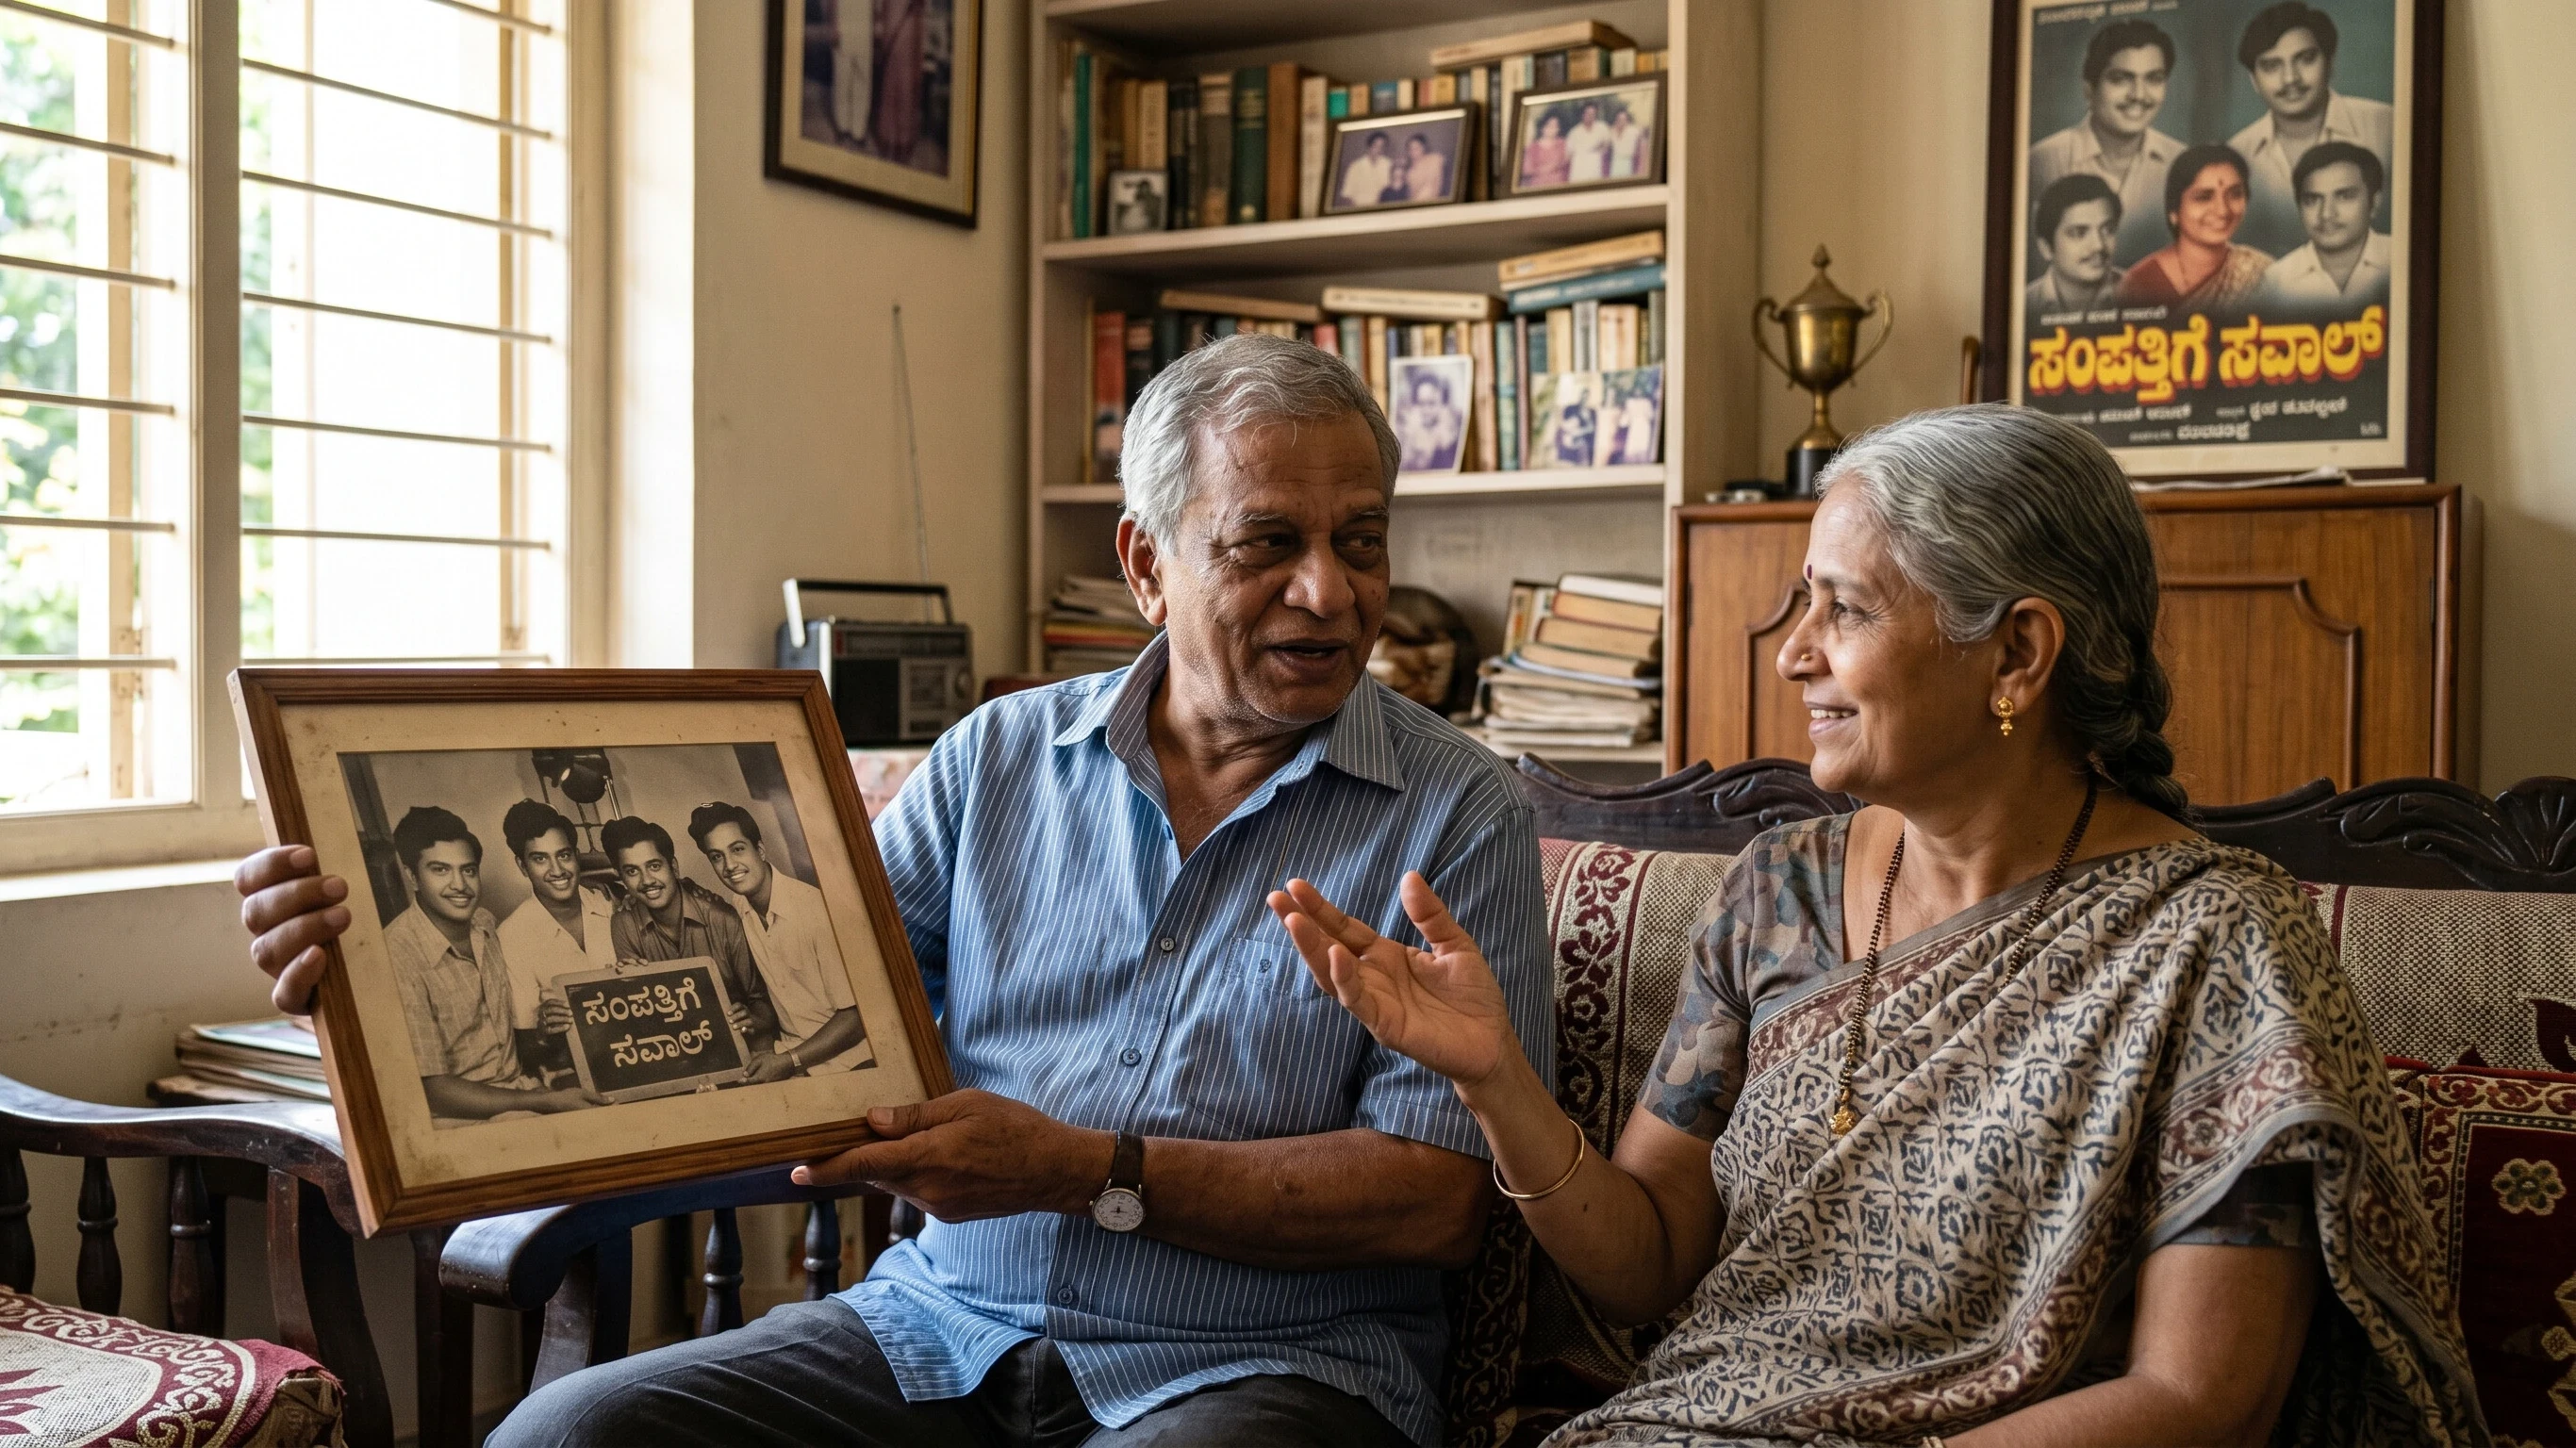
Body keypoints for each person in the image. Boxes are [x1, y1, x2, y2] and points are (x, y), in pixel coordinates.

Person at [234, 331, 1554, 1448]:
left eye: (1360, 541)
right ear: (1146, 563)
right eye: (1267, 542)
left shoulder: (1460, 811)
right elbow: (777, 1021)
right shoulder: (995, 760)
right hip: (939, 1328)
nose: (1329, 591)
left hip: (1270, 1369)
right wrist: (376, 999)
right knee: (562, 1436)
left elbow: (1437, 1200)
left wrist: (1083, 1171)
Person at [1270, 404, 2487, 1448]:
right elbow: (1648, 1264)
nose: (1792, 654)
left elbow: (2203, 1399)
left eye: (1843, 610)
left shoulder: (2216, 943)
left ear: (2016, 654)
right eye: (1802, 604)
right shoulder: (1780, 893)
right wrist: (1496, 1082)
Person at [381, 806, 596, 1122]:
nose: (459, 885)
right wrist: (545, 1102)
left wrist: (544, 1030)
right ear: (412, 876)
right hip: (459, 1116)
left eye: (468, 871)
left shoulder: (485, 924)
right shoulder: (395, 955)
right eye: (440, 870)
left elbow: (521, 1033)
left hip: (526, 1089)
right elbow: (433, 1090)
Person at [688, 801, 871, 1077]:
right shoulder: (739, 907)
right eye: (716, 856)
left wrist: (788, 1061)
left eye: (737, 849)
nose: (729, 865)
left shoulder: (816, 910)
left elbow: (856, 1018)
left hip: (851, 1062)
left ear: (760, 850)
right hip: (790, 1058)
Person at [601, 814, 784, 1067]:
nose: (647, 881)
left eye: (654, 866)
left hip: (741, 1049)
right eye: (632, 871)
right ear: (621, 877)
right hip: (676, 1056)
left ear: (673, 867)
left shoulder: (723, 918)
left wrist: (752, 1019)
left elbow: (764, 1001)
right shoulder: (623, 924)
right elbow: (641, 1016)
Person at [2228, 1, 2395, 258]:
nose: (2290, 78)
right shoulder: (2236, 156)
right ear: (2254, 80)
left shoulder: (2387, 127)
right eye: (2272, 66)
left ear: (2330, 63)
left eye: (2305, 59)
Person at [2027, 19, 2184, 269]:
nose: (2139, 95)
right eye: (2121, 79)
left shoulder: (2182, 163)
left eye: (2154, 79)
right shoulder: (2041, 162)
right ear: (2089, 89)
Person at [492, 799, 619, 1080]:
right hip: (571, 1074)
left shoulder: (611, 903)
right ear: (522, 866)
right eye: (540, 859)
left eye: (564, 855)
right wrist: (543, 1032)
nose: (557, 870)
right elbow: (525, 1050)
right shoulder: (511, 936)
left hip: (637, 1052)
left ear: (576, 856)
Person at [2115, 143, 2271, 312]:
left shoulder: (2260, 274)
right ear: (2174, 211)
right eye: (2204, 197)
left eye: (2235, 194)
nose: (2223, 210)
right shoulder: (2139, 285)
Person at [2254, 140, 2392, 316]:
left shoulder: (2400, 259)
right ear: (2299, 207)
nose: (2326, 214)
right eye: (2312, 200)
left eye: (2344, 196)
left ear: (2375, 203)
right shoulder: (2276, 282)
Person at [2024, 173, 2125, 318]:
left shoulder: (2145, 294)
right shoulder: (2023, 306)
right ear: (2046, 248)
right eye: (2079, 233)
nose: (2098, 246)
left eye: (2108, 230)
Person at [1394, 370, 1461, 471]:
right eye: (1421, 403)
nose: (1426, 410)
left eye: (1431, 403)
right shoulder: (1406, 435)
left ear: (1443, 404)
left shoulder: (1450, 440)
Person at [1339, 133, 1395, 209]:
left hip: (1382, 208)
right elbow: (1347, 194)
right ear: (1369, 146)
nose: (1379, 150)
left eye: (1382, 147)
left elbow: (1393, 190)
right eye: (1376, 146)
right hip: (1359, 208)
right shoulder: (1355, 166)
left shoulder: (1390, 165)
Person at [1564, 102, 1612, 183]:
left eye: (1593, 114)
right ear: (1582, 114)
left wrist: (1600, 149)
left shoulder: (1602, 128)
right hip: (1578, 171)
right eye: (1588, 113)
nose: (1590, 116)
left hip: (1595, 169)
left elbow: (1608, 145)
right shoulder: (1574, 132)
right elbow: (1568, 155)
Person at [1520, 112, 1570, 189]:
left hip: (1559, 185)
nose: (1552, 129)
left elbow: (1567, 163)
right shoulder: (1533, 147)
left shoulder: (1563, 143)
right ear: (1542, 127)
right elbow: (1526, 170)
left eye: (1556, 126)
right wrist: (1548, 168)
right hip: (1538, 186)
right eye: (1549, 126)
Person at [1605, 104, 1649, 180]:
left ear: (1627, 120)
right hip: (1615, 162)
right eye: (1619, 119)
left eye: (1624, 119)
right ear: (1616, 120)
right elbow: (1606, 145)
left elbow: (1644, 137)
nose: (1622, 121)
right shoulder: (1612, 131)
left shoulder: (1633, 130)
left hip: (1628, 162)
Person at [1399, 134, 1446, 202]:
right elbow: (1410, 194)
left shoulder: (1435, 159)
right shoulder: (1409, 172)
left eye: (1416, 148)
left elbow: (1432, 186)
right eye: (1410, 149)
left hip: (1433, 199)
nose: (1413, 151)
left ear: (1423, 147)